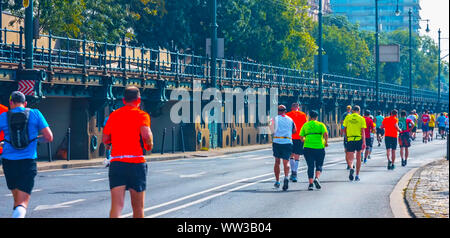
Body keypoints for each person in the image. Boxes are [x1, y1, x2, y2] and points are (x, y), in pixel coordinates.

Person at [102, 86, 153, 218]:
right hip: (136, 163)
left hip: (117, 163)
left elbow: (105, 138)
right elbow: (146, 135)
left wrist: (109, 145)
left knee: (117, 206)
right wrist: (149, 145)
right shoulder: (142, 115)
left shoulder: (114, 115)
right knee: (138, 207)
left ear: (124, 100)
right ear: (139, 100)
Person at [0, 91, 53, 218]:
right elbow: (49, 137)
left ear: (11, 103)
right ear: (25, 103)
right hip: (28, 161)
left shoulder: (3, 116)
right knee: (22, 204)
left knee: (17, 200)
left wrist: (5, 143)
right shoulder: (35, 113)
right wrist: (35, 139)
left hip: (8, 162)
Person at [299, 110, 328, 191]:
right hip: (319, 147)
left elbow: (301, 137)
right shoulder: (321, 125)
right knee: (319, 165)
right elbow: (326, 134)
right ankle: (317, 178)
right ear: (317, 117)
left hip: (308, 148)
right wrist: (326, 142)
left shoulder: (305, 125)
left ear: (309, 117)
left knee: (310, 166)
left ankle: (311, 184)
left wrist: (305, 140)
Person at [270, 105, 296, 191]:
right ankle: (286, 177)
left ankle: (277, 181)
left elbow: (271, 129)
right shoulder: (290, 119)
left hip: (277, 142)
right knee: (286, 161)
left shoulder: (274, 119)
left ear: (277, 111)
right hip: (287, 142)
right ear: (285, 111)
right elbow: (294, 130)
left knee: (277, 161)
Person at [343, 105, 366, 181]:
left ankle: (351, 167)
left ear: (352, 110)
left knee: (350, 157)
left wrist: (346, 138)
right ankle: (357, 175)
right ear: (359, 111)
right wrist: (364, 142)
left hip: (350, 139)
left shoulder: (347, 117)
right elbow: (363, 131)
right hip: (358, 139)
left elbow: (344, 129)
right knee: (358, 157)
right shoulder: (361, 118)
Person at [286, 103, 307, 183]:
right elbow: (305, 126)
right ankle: (295, 173)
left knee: (291, 155)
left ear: (291, 107)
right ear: (298, 107)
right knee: (297, 156)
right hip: (299, 137)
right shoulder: (303, 114)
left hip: (290, 137)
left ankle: (292, 172)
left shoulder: (288, 115)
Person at [341, 105, 352, 169]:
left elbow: (342, 122)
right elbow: (342, 122)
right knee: (348, 150)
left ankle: (349, 163)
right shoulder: (346, 114)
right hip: (349, 135)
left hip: (348, 135)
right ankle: (349, 163)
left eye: (349, 108)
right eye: (348, 108)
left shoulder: (348, 115)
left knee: (348, 150)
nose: (348, 109)